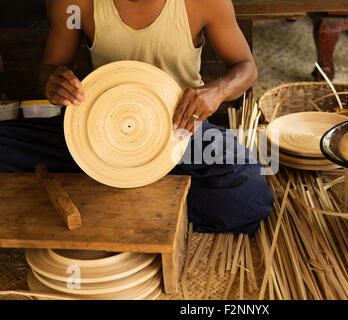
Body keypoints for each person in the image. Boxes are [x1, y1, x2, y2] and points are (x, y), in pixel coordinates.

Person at [0, 0, 273, 235]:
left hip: (181, 129)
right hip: (95, 133)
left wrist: (217, 90)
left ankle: (116, 202)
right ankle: (131, 194)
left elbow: (245, 67)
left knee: (249, 192)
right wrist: (54, 82)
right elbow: (49, 70)